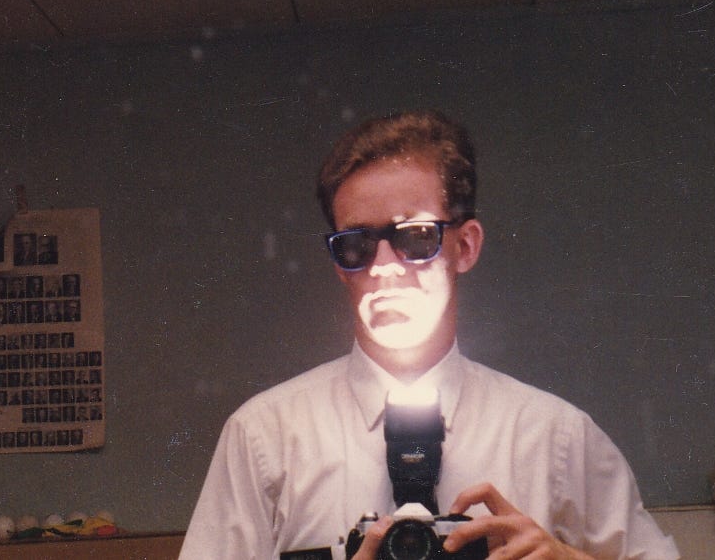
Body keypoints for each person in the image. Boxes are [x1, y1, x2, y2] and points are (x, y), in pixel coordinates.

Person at [180, 110, 678, 560]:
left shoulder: (556, 439)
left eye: (415, 238)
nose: (384, 268)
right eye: (355, 245)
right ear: (337, 263)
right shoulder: (266, 439)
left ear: (465, 245)